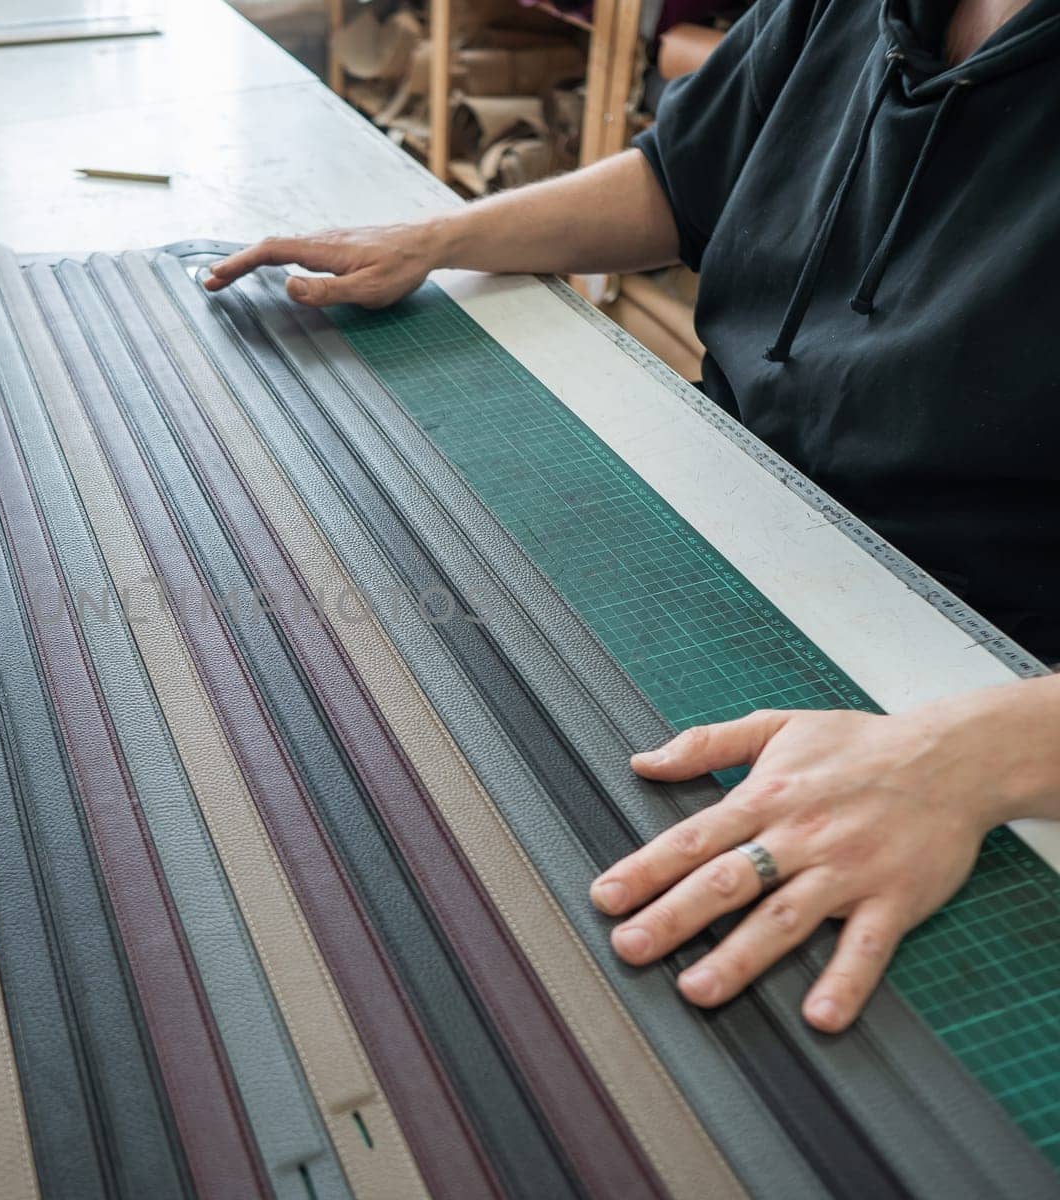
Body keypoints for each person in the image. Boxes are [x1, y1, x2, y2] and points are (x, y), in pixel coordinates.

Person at [204, 0, 1060, 1033]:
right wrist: (442, 235)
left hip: (983, 653)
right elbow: (683, 177)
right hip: (735, 516)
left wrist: (964, 756)